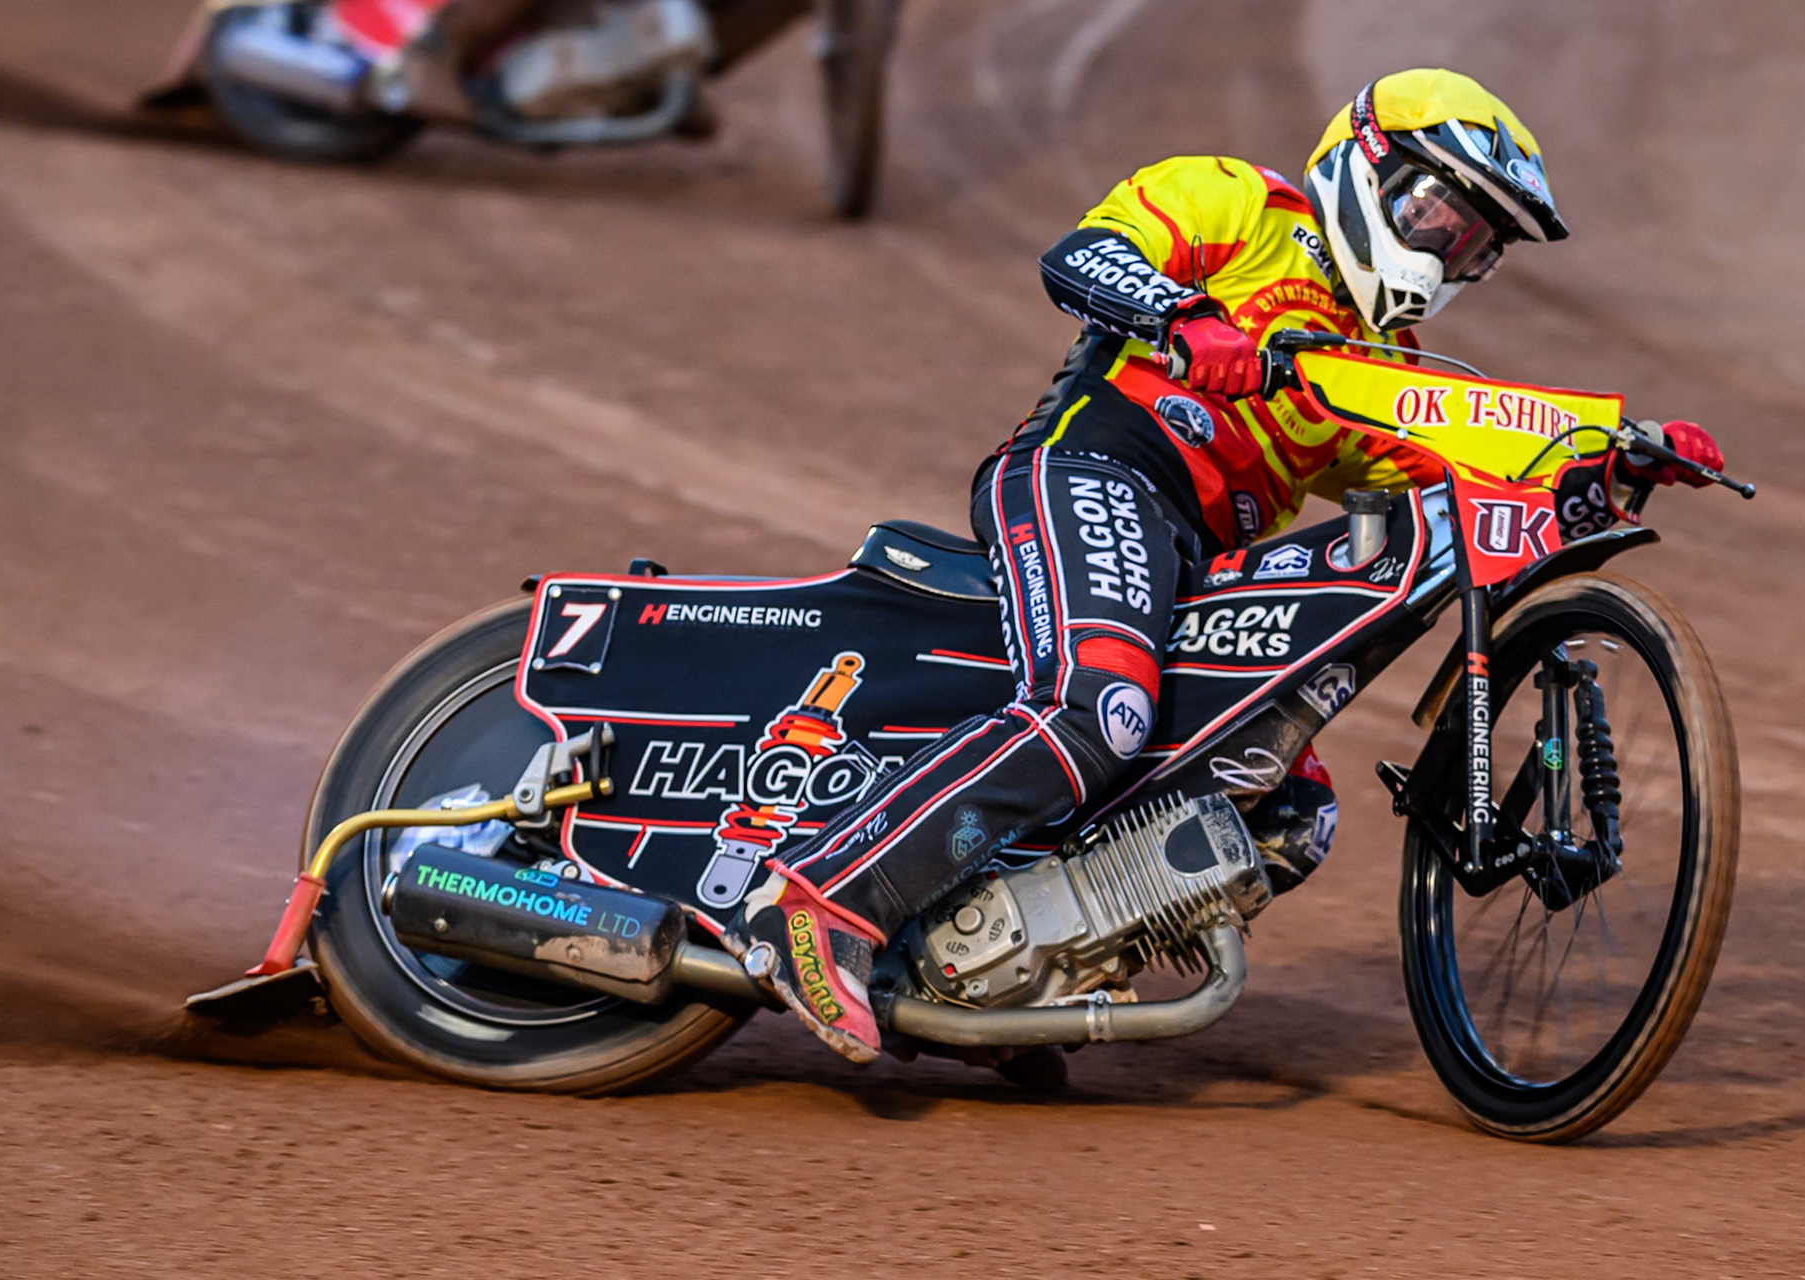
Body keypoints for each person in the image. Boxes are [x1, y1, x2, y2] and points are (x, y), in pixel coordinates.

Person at [722, 68, 1726, 1064]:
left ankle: (1010, 975)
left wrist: (1615, 456)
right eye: (1436, 215)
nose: (1444, 252)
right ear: (1366, 167)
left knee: (1285, 807)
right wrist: (1182, 319)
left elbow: (1476, 468)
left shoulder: (1386, 367)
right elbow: (1084, 255)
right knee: (1102, 707)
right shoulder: (1243, 203)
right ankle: (822, 902)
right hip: (1092, 468)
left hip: (1193, 557)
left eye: (1474, 245)